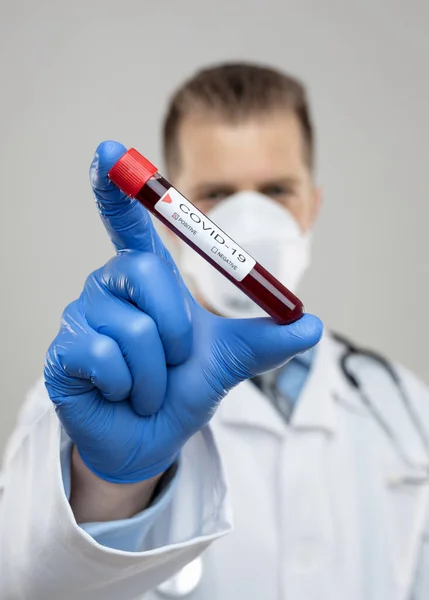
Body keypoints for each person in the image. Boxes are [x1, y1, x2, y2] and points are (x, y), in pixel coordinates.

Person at [1, 63, 429, 600]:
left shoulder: (404, 408)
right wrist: (107, 487)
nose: (248, 222)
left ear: (312, 208)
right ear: (169, 216)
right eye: (215, 195)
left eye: (276, 190)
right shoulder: (92, 389)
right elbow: (25, 583)